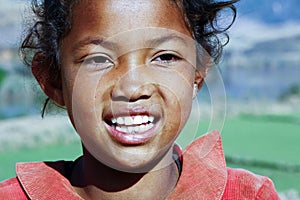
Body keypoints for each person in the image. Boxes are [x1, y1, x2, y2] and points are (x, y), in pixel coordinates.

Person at [0, 0, 280, 199]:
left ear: (197, 75)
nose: (133, 87)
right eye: (98, 59)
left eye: (165, 57)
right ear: (52, 79)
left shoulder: (248, 195)